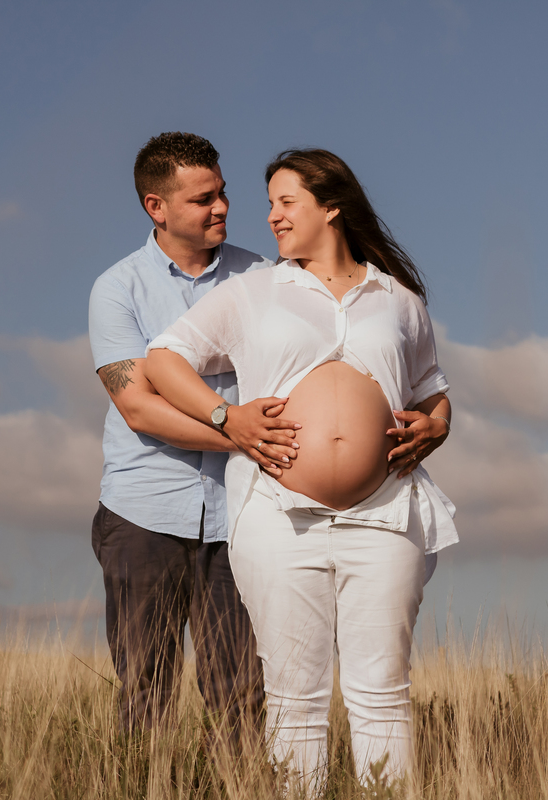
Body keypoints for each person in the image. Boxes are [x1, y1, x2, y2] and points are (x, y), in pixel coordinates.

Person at [145, 148, 458, 788]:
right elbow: (164, 358)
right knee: (295, 700)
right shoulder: (254, 291)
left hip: (385, 514)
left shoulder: (398, 299)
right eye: (270, 205)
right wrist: (225, 418)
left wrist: (439, 423)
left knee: (383, 695)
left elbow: (431, 388)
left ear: (331, 207)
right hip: (278, 517)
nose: (271, 217)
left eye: (286, 203)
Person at [88, 132, 294, 743]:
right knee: (145, 689)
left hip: (242, 515)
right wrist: (239, 430)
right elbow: (139, 410)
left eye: (223, 192)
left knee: (243, 693)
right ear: (157, 207)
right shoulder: (116, 289)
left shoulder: (264, 277)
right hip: (143, 512)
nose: (222, 207)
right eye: (203, 198)